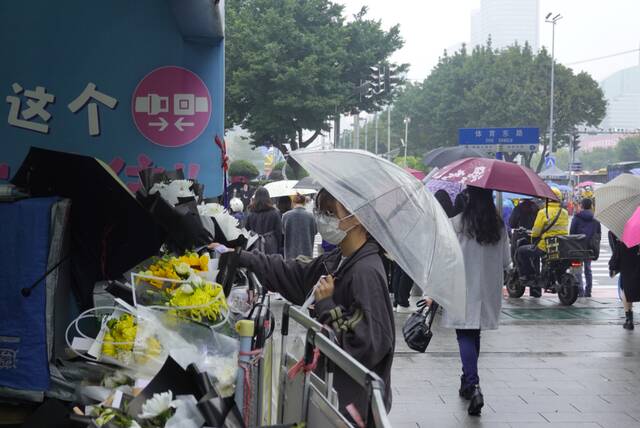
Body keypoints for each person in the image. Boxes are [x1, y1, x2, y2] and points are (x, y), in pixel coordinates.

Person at [214, 188, 395, 418]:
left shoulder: (366, 272)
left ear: (357, 217)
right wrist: (241, 256)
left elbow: (367, 344)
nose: (322, 219)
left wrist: (327, 305)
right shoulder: (338, 260)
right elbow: (293, 273)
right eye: (320, 211)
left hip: (351, 408)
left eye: (330, 212)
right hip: (329, 394)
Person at [442, 186, 510, 416]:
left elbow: (447, 256)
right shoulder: (498, 226)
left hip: (462, 286)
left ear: (469, 196)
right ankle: (466, 381)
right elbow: (505, 261)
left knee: (464, 334)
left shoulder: (456, 223)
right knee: (475, 332)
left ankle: (473, 385)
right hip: (487, 288)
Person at [515, 188, 568, 297]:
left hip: (546, 246)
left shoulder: (543, 212)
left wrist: (533, 234)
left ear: (547, 200)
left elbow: (536, 232)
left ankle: (529, 275)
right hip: (561, 245)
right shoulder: (564, 212)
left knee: (521, 251)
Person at [570, 198, 601, 297]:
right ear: (591, 206)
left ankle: (580, 291)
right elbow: (598, 234)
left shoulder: (577, 218)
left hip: (578, 247)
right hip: (590, 248)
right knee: (588, 269)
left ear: (582, 206)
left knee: (577, 268)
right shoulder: (596, 219)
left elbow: (571, 233)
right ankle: (588, 291)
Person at [609, 231, 640, 330]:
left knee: (626, 291)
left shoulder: (624, 237)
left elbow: (616, 256)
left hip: (628, 273)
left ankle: (629, 320)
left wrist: (613, 269)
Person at [245, 187, 282, 254]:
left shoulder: (251, 214)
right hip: (271, 244)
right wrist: (279, 247)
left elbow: (246, 231)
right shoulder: (275, 213)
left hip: (254, 244)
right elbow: (278, 232)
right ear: (268, 197)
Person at [281, 193, 317, 259]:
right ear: (304, 202)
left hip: (290, 254)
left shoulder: (285, 216)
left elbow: (283, 232)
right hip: (307, 253)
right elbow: (315, 232)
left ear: (293, 202)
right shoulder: (311, 216)